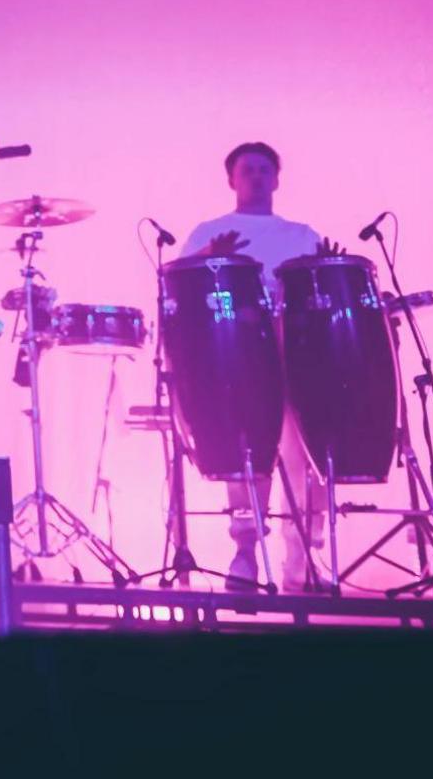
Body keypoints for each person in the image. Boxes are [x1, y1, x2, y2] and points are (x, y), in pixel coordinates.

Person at [180, 141, 340, 590]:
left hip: (297, 350)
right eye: (246, 169)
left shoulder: (299, 233)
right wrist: (209, 252)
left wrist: (325, 265)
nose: (255, 175)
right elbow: (175, 280)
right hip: (240, 354)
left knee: (305, 458)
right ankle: (245, 554)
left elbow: (318, 288)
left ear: (276, 179)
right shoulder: (211, 229)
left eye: (263, 169)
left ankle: (304, 563)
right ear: (231, 179)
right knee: (248, 455)